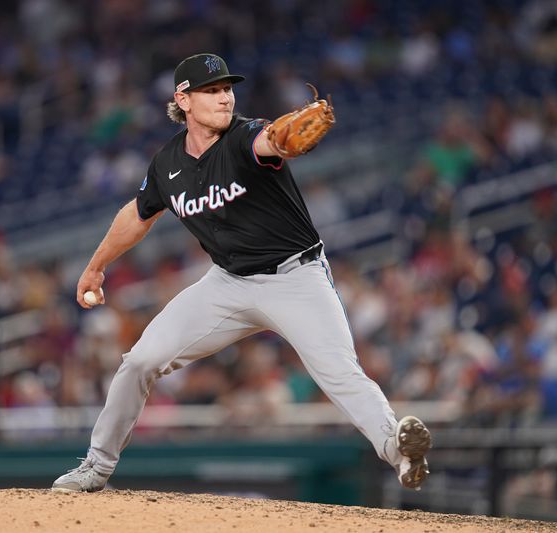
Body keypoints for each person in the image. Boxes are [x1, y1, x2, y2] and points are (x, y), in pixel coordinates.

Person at [52, 53, 432, 492]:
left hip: (296, 278)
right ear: (184, 99)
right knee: (139, 361)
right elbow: (138, 215)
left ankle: (400, 452)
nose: (225, 98)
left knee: (339, 371)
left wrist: (280, 139)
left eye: (228, 89)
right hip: (227, 284)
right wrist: (96, 267)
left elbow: (268, 140)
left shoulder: (244, 136)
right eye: (212, 90)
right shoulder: (167, 163)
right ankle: (97, 466)